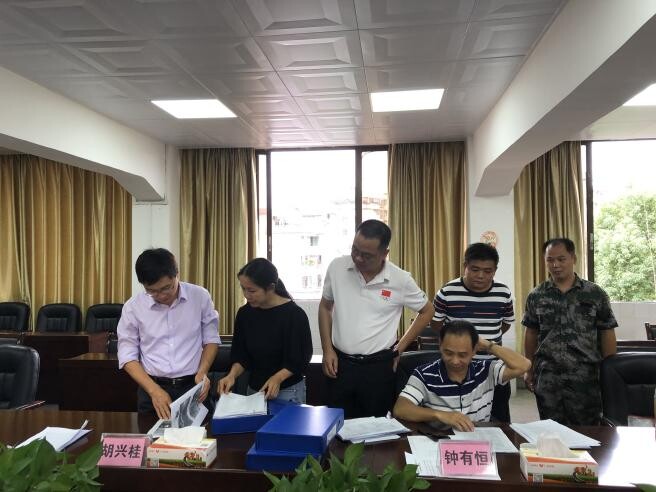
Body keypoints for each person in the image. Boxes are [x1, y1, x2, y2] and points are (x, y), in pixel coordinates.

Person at [319, 219, 435, 419]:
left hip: (378, 367)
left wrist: (400, 348)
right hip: (340, 363)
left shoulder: (400, 279)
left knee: (377, 425)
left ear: (384, 253)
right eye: (355, 250)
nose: (358, 258)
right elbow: (325, 306)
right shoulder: (337, 267)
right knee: (336, 423)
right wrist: (327, 349)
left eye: (366, 255)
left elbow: (427, 311)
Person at [523, 238, 618, 426]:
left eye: (561, 259)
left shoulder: (595, 293)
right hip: (548, 376)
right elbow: (531, 332)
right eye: (550, 260)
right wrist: (529, 368)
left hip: (585, 377)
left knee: (588, 430)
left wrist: (610, 371)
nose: (555, 265)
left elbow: (607, 331)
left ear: (573, 258)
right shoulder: (536, 295)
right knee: (551, 429)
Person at [117, 248, 220, 420]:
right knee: (151, 435)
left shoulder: (199, 297)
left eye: (166, 288)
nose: (161, 295)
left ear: (176, 274)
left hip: (192, 385)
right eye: (152, 291)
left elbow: (211, 339)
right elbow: (127, 355)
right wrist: (154, 390)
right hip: (152, 388)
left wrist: (203, 371)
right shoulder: (133, 307)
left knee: (200, 436)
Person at [430, 242, 515, 422]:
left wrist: (487, 341)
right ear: (465, 266)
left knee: (499, 417)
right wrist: (459, 341)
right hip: (457, 367)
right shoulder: (447, 291)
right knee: (458, 418)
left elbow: (505, 324)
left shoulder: (503, 292)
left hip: (493, 367)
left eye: (487, 271)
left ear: (495, 270)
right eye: (475, 269)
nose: (480, 276)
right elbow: (436, 324)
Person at [394, 320, 531, 431]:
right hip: (440, 441)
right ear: (440, 346)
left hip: (479, 441)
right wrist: (440, 415)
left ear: (474, 351)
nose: (455, 361)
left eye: (463, 355)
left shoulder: (486, 370)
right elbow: (401, 409)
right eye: (448, 353)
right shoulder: (424, 374)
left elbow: (524, 365)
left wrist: (488, 345)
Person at [218, 258, 312, 403]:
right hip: (254, 390)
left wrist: (277, 378)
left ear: (271, 287)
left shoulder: (294, 315)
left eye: (252, 290)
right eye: (243, 288)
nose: (246, 295)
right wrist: (231, 375)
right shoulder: (245, 314)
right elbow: (241, 356)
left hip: (287, 391)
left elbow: (300, 359)